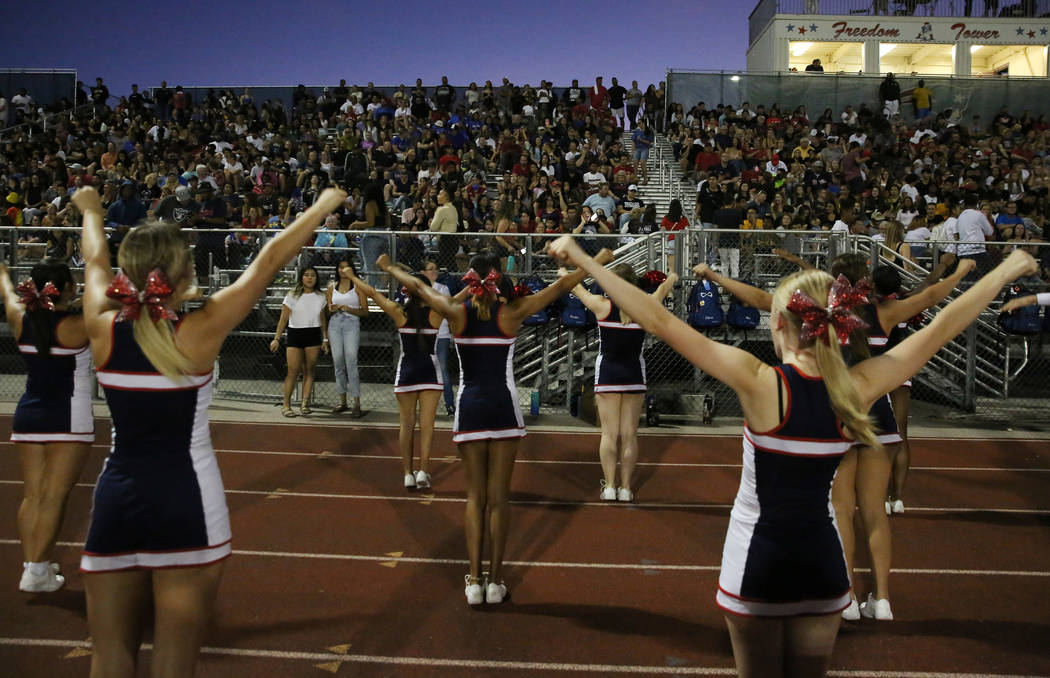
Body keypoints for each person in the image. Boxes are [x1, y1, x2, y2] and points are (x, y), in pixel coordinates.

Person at [549, 233, 1036, 677]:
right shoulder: (859, 387)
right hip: (822, 563)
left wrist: (583, 259)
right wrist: (1004, 271)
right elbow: (943, 327)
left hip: (756, 560)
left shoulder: (760, 383)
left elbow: (658, 319)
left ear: (778, 324)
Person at [72, 185, 345, 678]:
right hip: (187, 500)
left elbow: (93, 257)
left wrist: (91, 210)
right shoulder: (201, 329)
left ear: (126, 270)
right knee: (175, 663)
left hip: (117, 498)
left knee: (108, 657)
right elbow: (267, 262)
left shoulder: (100, 322)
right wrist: (321, 208)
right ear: (180, 271)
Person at [379, 247, 613, 606]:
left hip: (470, 408)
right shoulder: (512, 312)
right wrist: (595, 258)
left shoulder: (454, 312)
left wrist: (389, 267)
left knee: (476, 499)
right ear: (499, 283)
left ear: (469, 283)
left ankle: (473, 582)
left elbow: (419, 288)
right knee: (499, 500)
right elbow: (562, 285)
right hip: (503, 409)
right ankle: (496, 580)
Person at [2, 261, 91, 593]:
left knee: (34, 494)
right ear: (67, 288)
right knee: (55, 496)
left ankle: (33, 563)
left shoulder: (18, 318)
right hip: (68, 415)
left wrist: (2, 273)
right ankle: (37, 571)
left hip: (29, 411)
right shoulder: (78, 325)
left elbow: (6, 289)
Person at [567, 264, 677, 502]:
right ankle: (626, 488)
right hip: (633, 374)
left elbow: (575, 287)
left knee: (609, 434)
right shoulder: (645, 305)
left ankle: (609, 486)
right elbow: (664, 289)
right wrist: (673, 276)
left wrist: (565, 273)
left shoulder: (602, 305)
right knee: (629, 435)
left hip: (607, 373)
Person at [349, 268, 443, 489]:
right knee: (427, 425)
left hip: (407, 372)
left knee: (406, 424)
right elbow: (456, 300)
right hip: (430, 372)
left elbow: (372, 292)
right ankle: (423, 472)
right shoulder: (437, 313)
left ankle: (408, 474)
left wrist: (352, 277)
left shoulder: (398, 311)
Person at [270, 267, 329, 417]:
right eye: (306, 275)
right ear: (301, 278)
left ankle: (305, 403)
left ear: (316, 278)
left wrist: (325, 338)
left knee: (310, 370)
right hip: (295, 334)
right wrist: (277, 338)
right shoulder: (292, 295)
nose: (310, 278)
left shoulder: (321, 296)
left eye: (313, 275)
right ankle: (286, 405)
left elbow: (322, 319)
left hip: (313, 335)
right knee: (293, 371)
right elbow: (283, 319)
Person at [326, 260, 369, 417]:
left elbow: (365, 311)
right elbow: (327, 310)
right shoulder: (332, 287)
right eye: (340, 266)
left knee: (351, 360)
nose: (342, 269)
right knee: (338, 361)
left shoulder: (358, 286)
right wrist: (332, 309)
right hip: (335, 323)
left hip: (351, 322)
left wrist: (349, 309)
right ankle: (342, 400)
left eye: (345, 266)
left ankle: (356, 403)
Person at [422, 259, 457, 415]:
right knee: (425, 370)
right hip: (424, 335)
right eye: (430, 269)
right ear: (423, 272)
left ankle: (449, 404)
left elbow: (446, 309)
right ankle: (426, 405)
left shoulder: (443, 288)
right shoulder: (418, 289)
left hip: (441, 334)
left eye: (436, 269)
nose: (434, 272)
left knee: (442, 370)